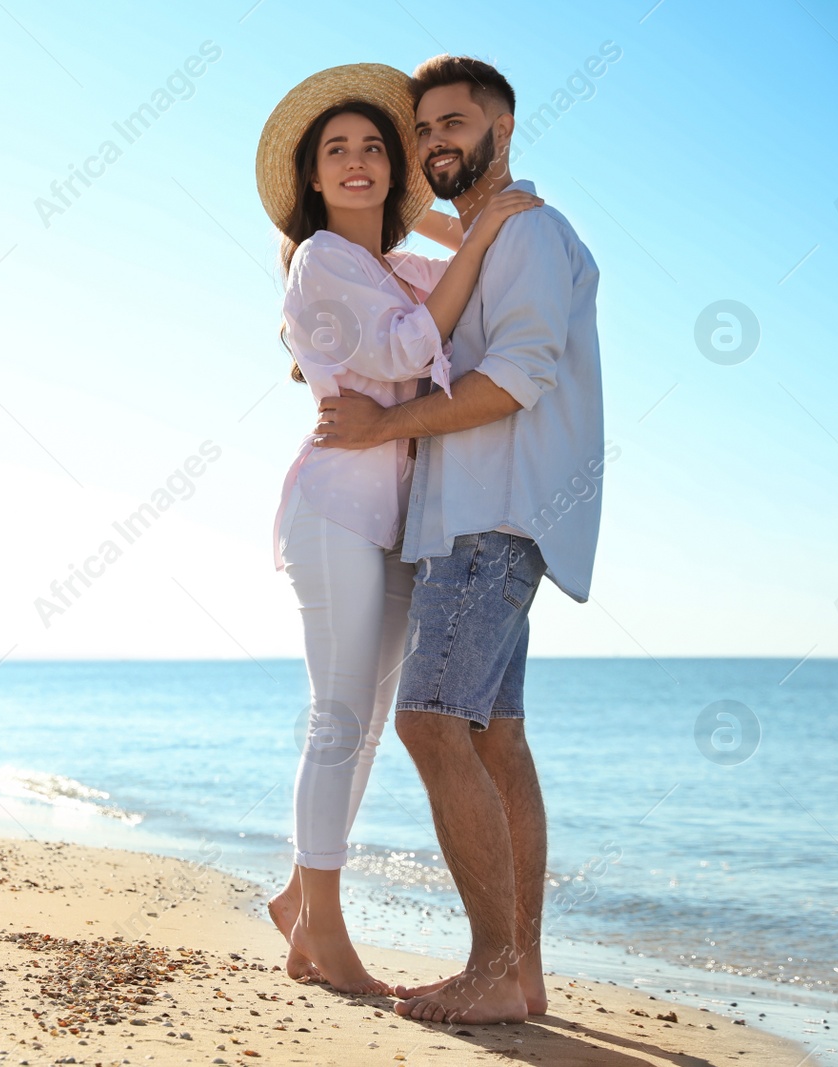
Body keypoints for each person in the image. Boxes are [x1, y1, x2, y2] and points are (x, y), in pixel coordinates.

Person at [313, 54, 606, 1024]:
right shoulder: (495, 232)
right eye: (423, 130)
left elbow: (515, 379)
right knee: (495, 738)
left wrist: (377, 427)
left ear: (502, 128)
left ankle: (491, 966)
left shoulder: (526, 237)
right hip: (486, 519)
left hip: (491, 516)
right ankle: (519, 974)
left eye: (453, 123)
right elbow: (424, 245)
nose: (436, 141)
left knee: (429, 721)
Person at [252, 62, 542, 995]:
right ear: (311, 177)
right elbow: (407, 346)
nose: (358, 159)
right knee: (340, 720)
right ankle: (321, 935)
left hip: (392, 526)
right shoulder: (320, 261)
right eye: (336, 150)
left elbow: (470, 278)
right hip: (335, 511)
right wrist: (473, 231)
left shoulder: (400, 265)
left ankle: (301, 895)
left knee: (369, 726)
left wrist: (473, 215)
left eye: (376, 145)